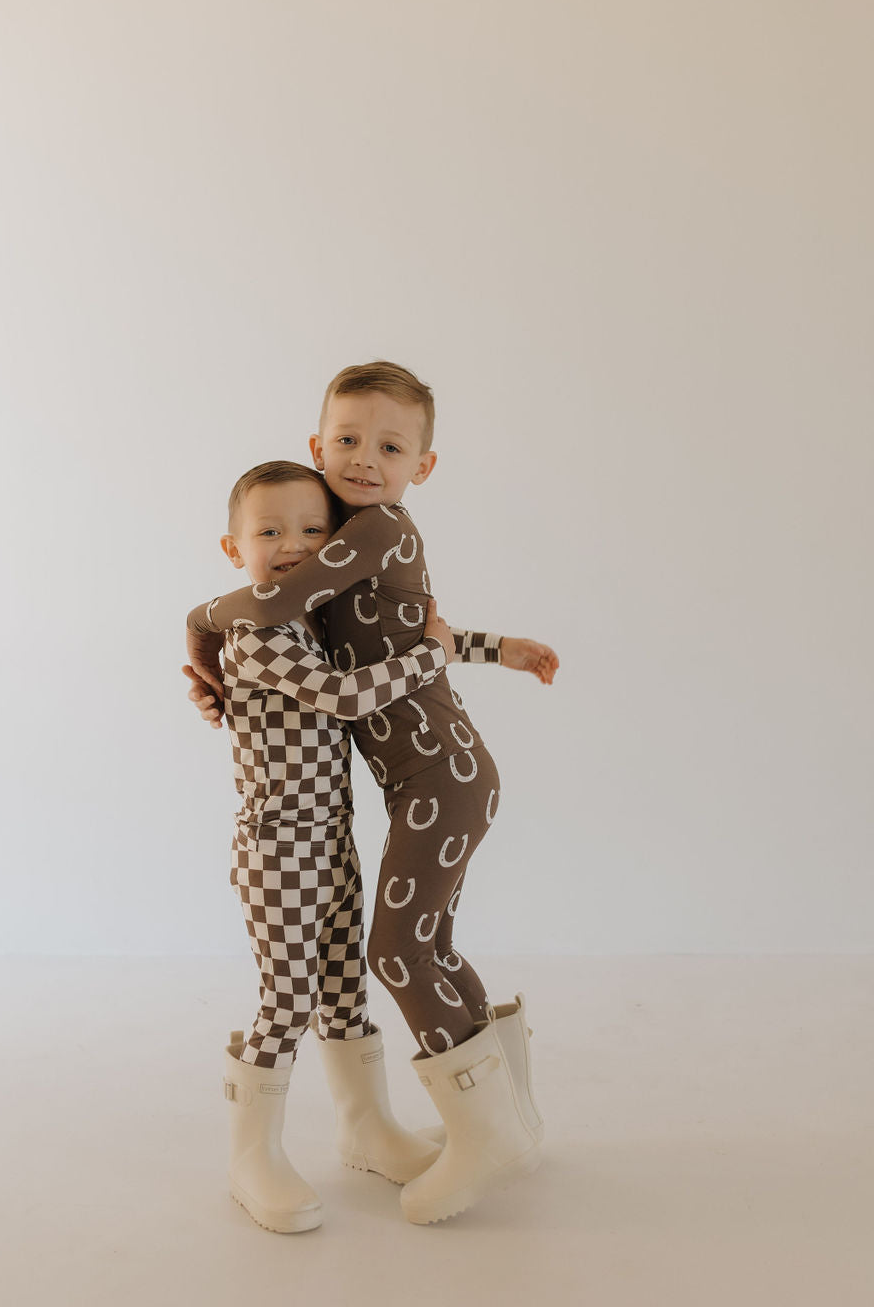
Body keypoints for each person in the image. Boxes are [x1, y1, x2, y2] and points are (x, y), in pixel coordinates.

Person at [185, 363, 559, 1225]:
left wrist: (201, 621)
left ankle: (482, 1132)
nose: (364, 458)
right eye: (347, 442)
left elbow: (361, 645)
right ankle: (445, 1125)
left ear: (421, 466)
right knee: (343, 973)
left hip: (432, 784)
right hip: (300, 835)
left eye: (389, 445)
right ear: (319, 450)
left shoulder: (368, 537)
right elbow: (383, 643)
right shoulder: (297, 611)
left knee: (396, 953)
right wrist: (493, 647)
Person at [206, 457, 458, 1234]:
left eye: (314, 530)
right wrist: (429, 656)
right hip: (280, 851)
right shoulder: (254, 637)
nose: (293, 545)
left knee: (344, 989)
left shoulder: (313, 619)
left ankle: (365, 1128)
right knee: (286, 1002)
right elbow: (347, 694)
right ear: (233, 546)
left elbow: (403, 632)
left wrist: (496, 647)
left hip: (333, 842)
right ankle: (252, 1156)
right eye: (270, 531)